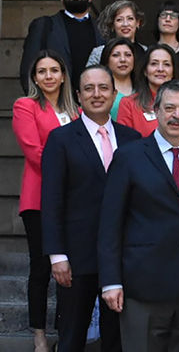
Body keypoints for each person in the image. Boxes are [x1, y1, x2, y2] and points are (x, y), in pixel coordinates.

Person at [98, 80, 179, 352]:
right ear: (156, 110)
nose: (176, 115)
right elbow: (110, 222)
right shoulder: (129, 156)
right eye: (169, 108)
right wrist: (111, 281)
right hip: (143, 286)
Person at [41, 65, 140, 352]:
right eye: (89, 89)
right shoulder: (61, 139)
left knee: (116, 339)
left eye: (103, 88)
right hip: (76, 257)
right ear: (78, 95)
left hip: (123, 257)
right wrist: (57, 256)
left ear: (114, 93)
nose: (97, 94)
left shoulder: (133, 139)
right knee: (72, 336)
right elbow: (51, 199)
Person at [12, 50, 79, 352]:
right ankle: (39, 337)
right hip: (39, 199)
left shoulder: (75, 111)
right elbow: (34, 151)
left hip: (74, 201)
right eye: (42, 71)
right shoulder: (25, 106)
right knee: (41, 269)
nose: (49, 76)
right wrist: (75, 174)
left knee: (73, 269)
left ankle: (65, 333)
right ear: (34, 78)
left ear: (64, 75)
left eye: (54, 70)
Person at [20, 0, 103, 93]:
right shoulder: (44, 26)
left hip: (94, 103)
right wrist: (39, 105)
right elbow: (28, 69)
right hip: (55, 105)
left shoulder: (103, 29)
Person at [117, 44, 179, 137]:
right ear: (145, 71)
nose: (160, 69)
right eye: (154, 63)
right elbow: (125, 143)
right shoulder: (129, 104)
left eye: (166, 64)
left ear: (173, 71)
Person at [86, 0, 146, 66]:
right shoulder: (99, 53)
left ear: (138, 22)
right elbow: (88, 76)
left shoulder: (146, 52)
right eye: (119, 20)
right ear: (112, 25)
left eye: (130, 18)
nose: (125, 24)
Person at [155, 0, 179, 82]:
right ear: (157, 20)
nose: (167, 19)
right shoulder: (148, 52)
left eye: (173, 16)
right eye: (163, 15)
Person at [99, 37, 136, 120]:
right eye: (116, 55)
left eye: (128, 55)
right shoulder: (99, 93)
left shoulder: (144, 89)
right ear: (107, 61)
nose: (123, 60)